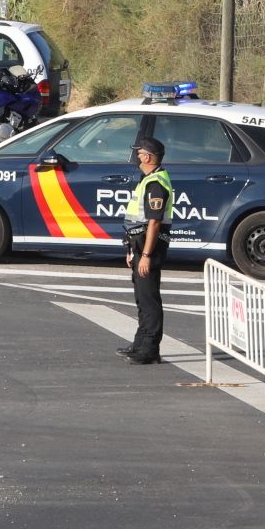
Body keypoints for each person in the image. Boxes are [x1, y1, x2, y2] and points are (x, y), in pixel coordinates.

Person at [119, 137, 174, 364]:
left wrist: (147, 256)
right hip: (139, 246)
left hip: (149, 248)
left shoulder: (156, 184)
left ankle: (150, 349)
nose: (137, 156)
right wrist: (132, 251)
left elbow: (153, 222)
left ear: (148, 157)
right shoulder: (148, 180)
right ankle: (140, 343)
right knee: (142, 299)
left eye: (139, 153)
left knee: (149, 299)